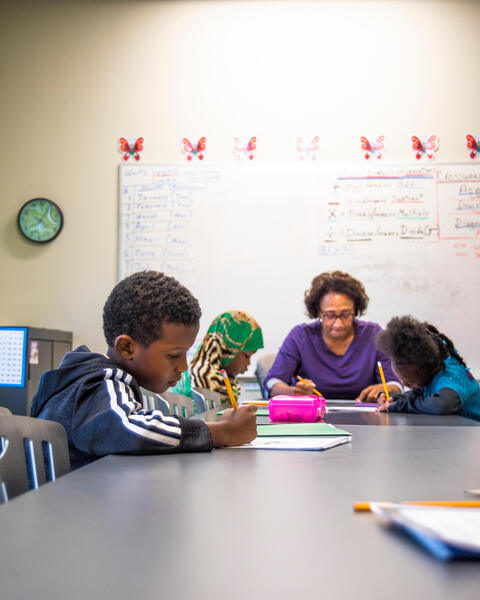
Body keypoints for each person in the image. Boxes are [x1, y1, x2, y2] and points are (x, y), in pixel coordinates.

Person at [30, 271, 257, 470]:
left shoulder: (101, 381)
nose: (183, 366)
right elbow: (129, 427)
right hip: (67, 510)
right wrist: (223, 432)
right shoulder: (99, 381)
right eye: (173, 355)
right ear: (127, 347)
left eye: (185, 354)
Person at [264, 270, 401, 401]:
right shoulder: (301, 336)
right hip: (311, 417)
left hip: (369, 417)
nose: (338, 324)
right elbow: (273, 383)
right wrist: (294, 392)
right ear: (318, 312)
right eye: (330, 315)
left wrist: (386, 389)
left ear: (355, 310)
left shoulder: (373, 335)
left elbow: (395, 384)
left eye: (346, 315)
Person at [375, 315, 480, 421]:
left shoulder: (452, 376)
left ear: (424, 368)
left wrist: (399, 406)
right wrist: (395, 398)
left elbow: (443, 404)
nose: (404, 384)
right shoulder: (430, 374)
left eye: (409, 381)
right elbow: (420, 394)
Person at [190, 310, 264, 403]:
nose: (248, 364)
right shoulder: (203, 377)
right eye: (247, 356)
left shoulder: (225, 380)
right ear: (229, 348)